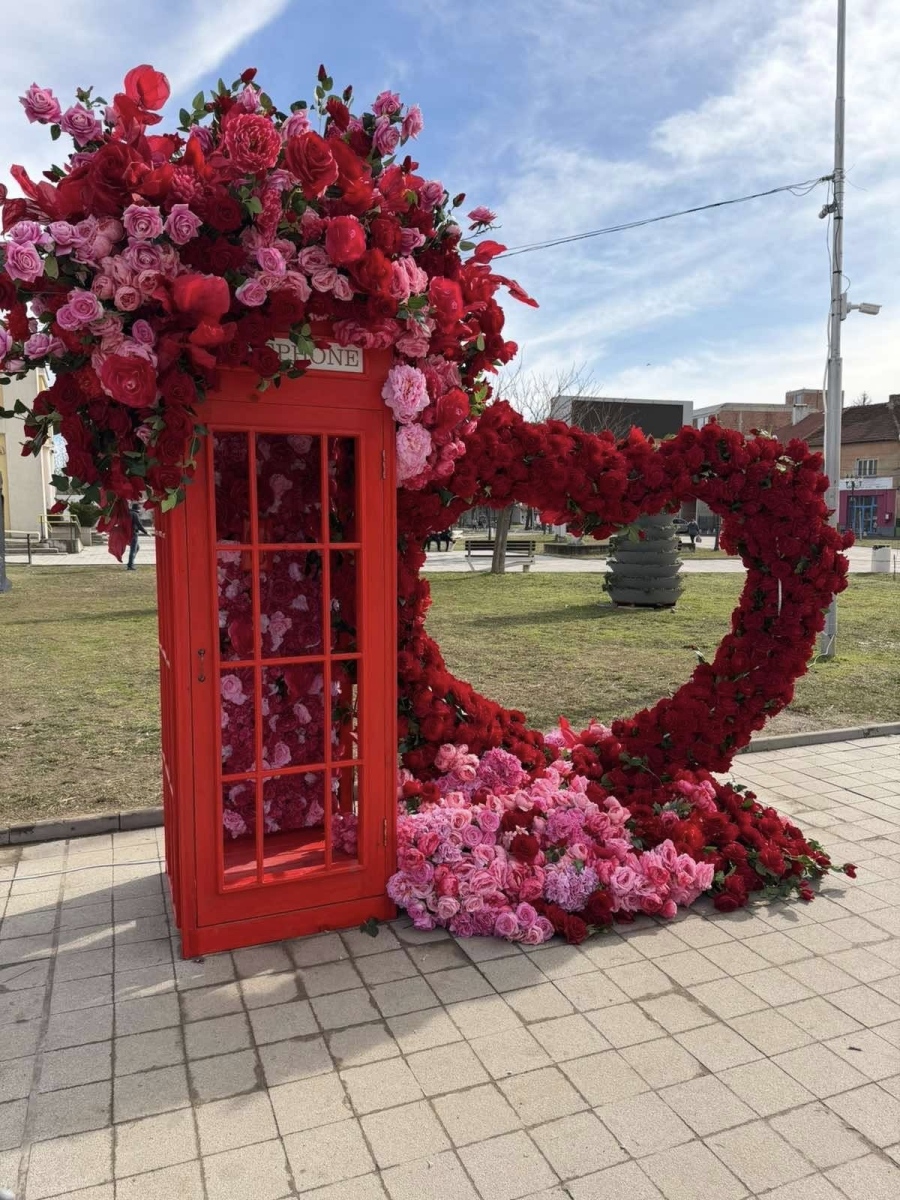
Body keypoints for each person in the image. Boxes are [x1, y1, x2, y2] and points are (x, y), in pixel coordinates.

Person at [127, 502, 149, 570]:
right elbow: (139, 525)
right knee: (133, 549)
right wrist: (146, 532)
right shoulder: (135, 514)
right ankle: (130, 565)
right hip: (134, 534)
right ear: (137, 509)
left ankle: (130, 562)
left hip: (129, 533)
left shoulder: (129, 513)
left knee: (137, 548)